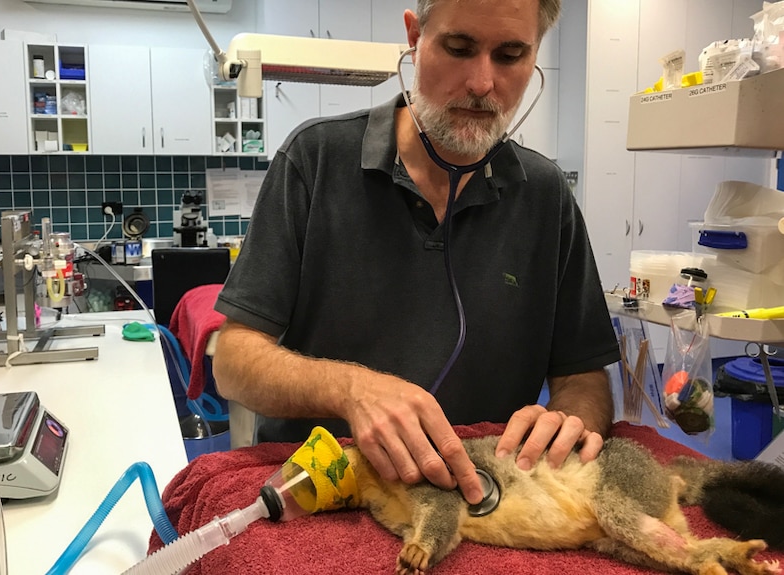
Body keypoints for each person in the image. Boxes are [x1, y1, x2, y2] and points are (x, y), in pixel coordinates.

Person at [212, 0, 621, 506]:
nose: (481, 83)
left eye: (511, 55)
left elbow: (582, 373)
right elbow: (233, 360)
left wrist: (569, 418)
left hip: (478, 506)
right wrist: (350, 389)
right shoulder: (315, 161)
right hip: (318, 501)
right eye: (459, 48)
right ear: (414, 34)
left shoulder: (545, 195)